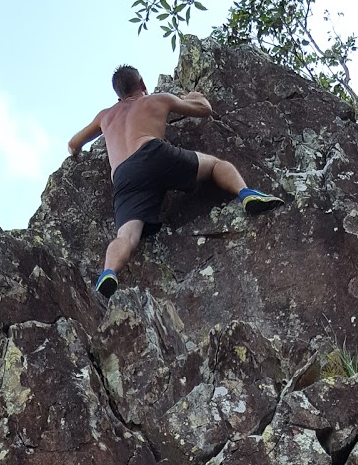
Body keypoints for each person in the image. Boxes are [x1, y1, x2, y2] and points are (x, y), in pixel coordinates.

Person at [67, 64, 280, 299]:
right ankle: (246, 193)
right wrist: (192, 96)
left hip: (124, 175)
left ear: (118, 95)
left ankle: (109, 272)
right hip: (152, 152)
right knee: (215, 165)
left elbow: (73, 144)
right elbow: (204, 109)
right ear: (142, 84)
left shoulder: (105, 116)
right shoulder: (157, 99)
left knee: (125, 236)